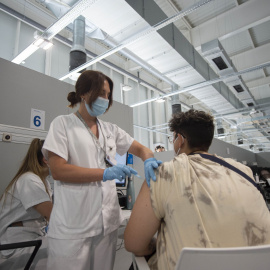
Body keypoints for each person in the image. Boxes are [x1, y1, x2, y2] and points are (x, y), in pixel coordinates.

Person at [42, 70, 161, 270]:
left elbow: (141, 149)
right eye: (101, 93)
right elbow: (58, 170)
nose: (105, 99)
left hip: (107, 225)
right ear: (83, 93)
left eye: (108, 95)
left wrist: (149, 159)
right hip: (73, 227)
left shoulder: (110, 130)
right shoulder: (62, 124)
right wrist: (105, 174)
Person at [124, 109, 270, 270]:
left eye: (172, 138)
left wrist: (155, 245)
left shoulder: (164, 173)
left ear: (179, 140)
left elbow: (134, 243)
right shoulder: (244, 171)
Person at [0, 138, 53, 270]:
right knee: (65, 255)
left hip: (32, 238)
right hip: (17, 245)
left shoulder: (43, 182)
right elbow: (53, 215)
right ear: (45, 160)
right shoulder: (29, 180)